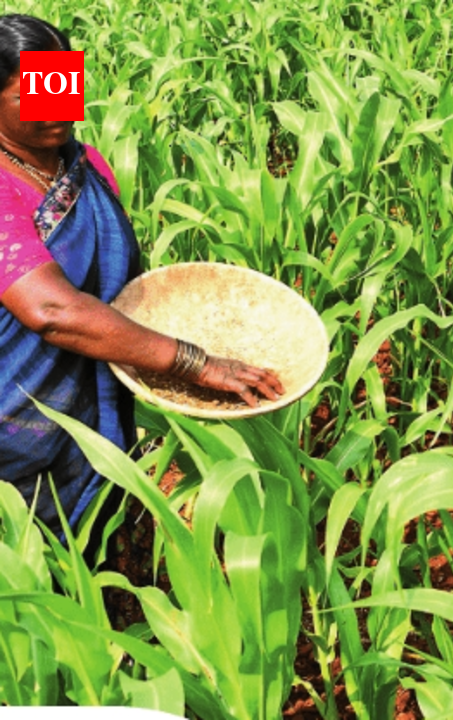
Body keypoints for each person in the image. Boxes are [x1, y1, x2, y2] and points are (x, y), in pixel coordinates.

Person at [0, 14, 284, 533]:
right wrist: (194, 362)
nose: (58, 105)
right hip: (15, 417)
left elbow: (118, 286)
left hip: (95, 403)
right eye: (34, 91)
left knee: (92, 538)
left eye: (64, 85)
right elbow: (51, 310)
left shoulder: (88, 168)